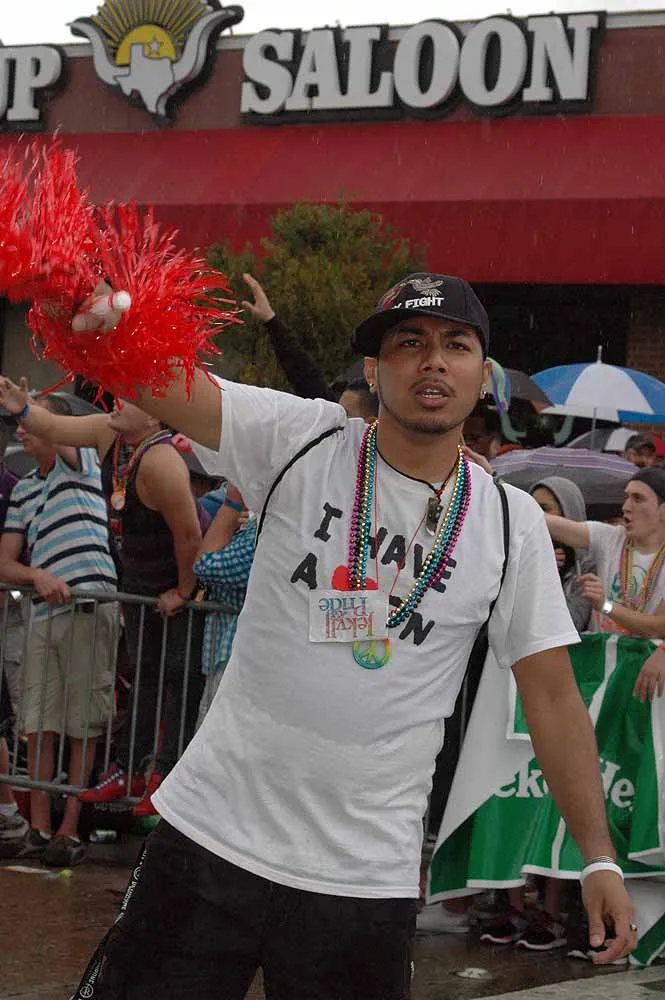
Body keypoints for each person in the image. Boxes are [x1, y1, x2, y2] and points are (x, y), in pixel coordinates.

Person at [60, 271, 635, 997]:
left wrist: (598, 857)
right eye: (409, 343)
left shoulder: (509, 522)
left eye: (455, 345)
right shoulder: (303, 439)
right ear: (373, 368)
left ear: (481, 373)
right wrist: (98, 320)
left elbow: (551, 698)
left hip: (363, 879)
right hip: (209, 837)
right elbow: (175, 389)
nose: (432, 361)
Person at [0, 392, 208, 817]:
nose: (117, 401)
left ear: (154, 416)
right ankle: (131, 768)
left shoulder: (161, 460)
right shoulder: (109, 435)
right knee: (146, 676)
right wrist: (21, 408)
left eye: (132, 397)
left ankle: (164, 776)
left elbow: (189, 535)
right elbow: (53, 426)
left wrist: (185, 591)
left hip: (173, 585)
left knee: (176, 680)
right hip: (139, 581)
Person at [0, 394, 118, 867]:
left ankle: (69, 828)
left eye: (27, 421)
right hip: (43, 614)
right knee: (39, 723)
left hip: (89, 604)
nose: (20, 429)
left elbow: (53, 428)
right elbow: (5, 562)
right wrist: (37, 576)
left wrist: (24, 405)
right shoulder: (24, 490)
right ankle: (40, 827)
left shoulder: (82, 461)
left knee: (82, 723)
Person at [546, 466, 665, 703]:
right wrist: (495, 484)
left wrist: (606, 606)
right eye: (626, 497)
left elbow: (659, 626)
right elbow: (545, 521)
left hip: (646, 683)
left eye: (638, 498)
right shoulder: (610, 538)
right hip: (602, 668)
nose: (626, 506)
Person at [243, 273, 379, 421]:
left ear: (371, 422)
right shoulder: (333, 428)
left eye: (346, 416)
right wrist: (270, 320)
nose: (338, 420)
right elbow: (304, 375)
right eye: (338, 412)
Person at [193, 482, 256, 726]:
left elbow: (205, 564)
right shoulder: (256, 525)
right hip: (229, 655)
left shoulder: (264, 532)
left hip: (238, 659)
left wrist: (231, 504)